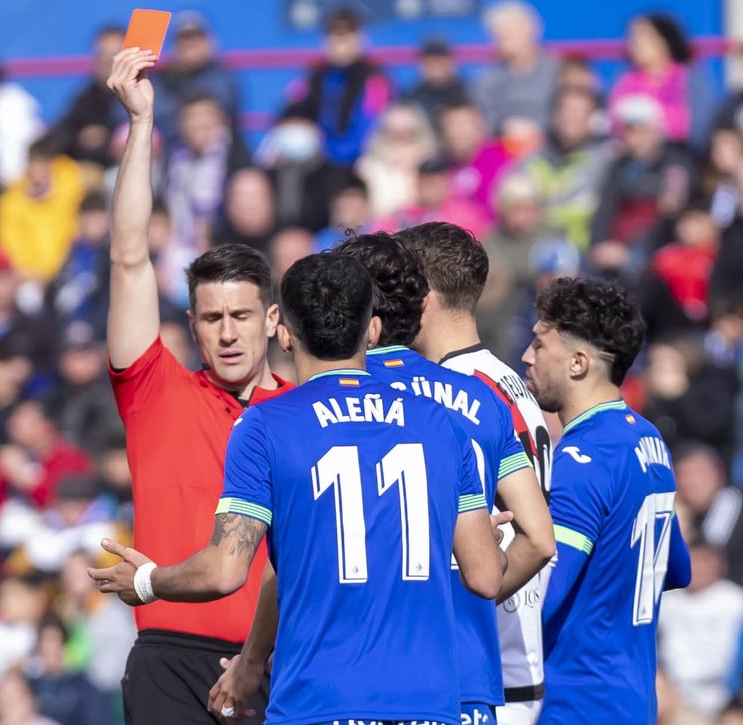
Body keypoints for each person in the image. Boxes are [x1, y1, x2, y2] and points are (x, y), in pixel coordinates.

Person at [88, 252, 509, 724]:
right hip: (428, 703)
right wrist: (491, 545)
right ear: (371, 331)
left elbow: (227, 570)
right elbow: (486, 577)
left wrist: (148, 581)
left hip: (318, 700)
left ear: (284, 334)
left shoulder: (267, 425)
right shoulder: (440, 424)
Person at [103, 49, 292, 725]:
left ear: (272, 319)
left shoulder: (306, 411)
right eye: (211, 318)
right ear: (191, 324)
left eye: (242, 315)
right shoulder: (155, 389)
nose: (228, 333)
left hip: (279, 662)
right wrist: (143, 122)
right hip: (169, 660)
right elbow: (128, 256)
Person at [331, 232, 554, 724]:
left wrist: (472, 584)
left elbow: (533, 540)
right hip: (499, 665)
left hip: (469, 654)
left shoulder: (440, 392)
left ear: (421, 293)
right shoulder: (500, 381)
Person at [398, 221, 558, 723]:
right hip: (513, 663)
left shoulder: (452, 394)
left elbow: (522, 538)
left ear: (421, 296)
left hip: (480, 667)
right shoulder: (507, 379)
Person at [522, 277, 692, 724]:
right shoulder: (648, 438)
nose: (526, 356)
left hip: (573, 702)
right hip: (632, 700)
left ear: (578, 362)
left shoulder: (584, 457)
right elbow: (677, 567)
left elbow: (547, 593)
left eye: (539, 345)